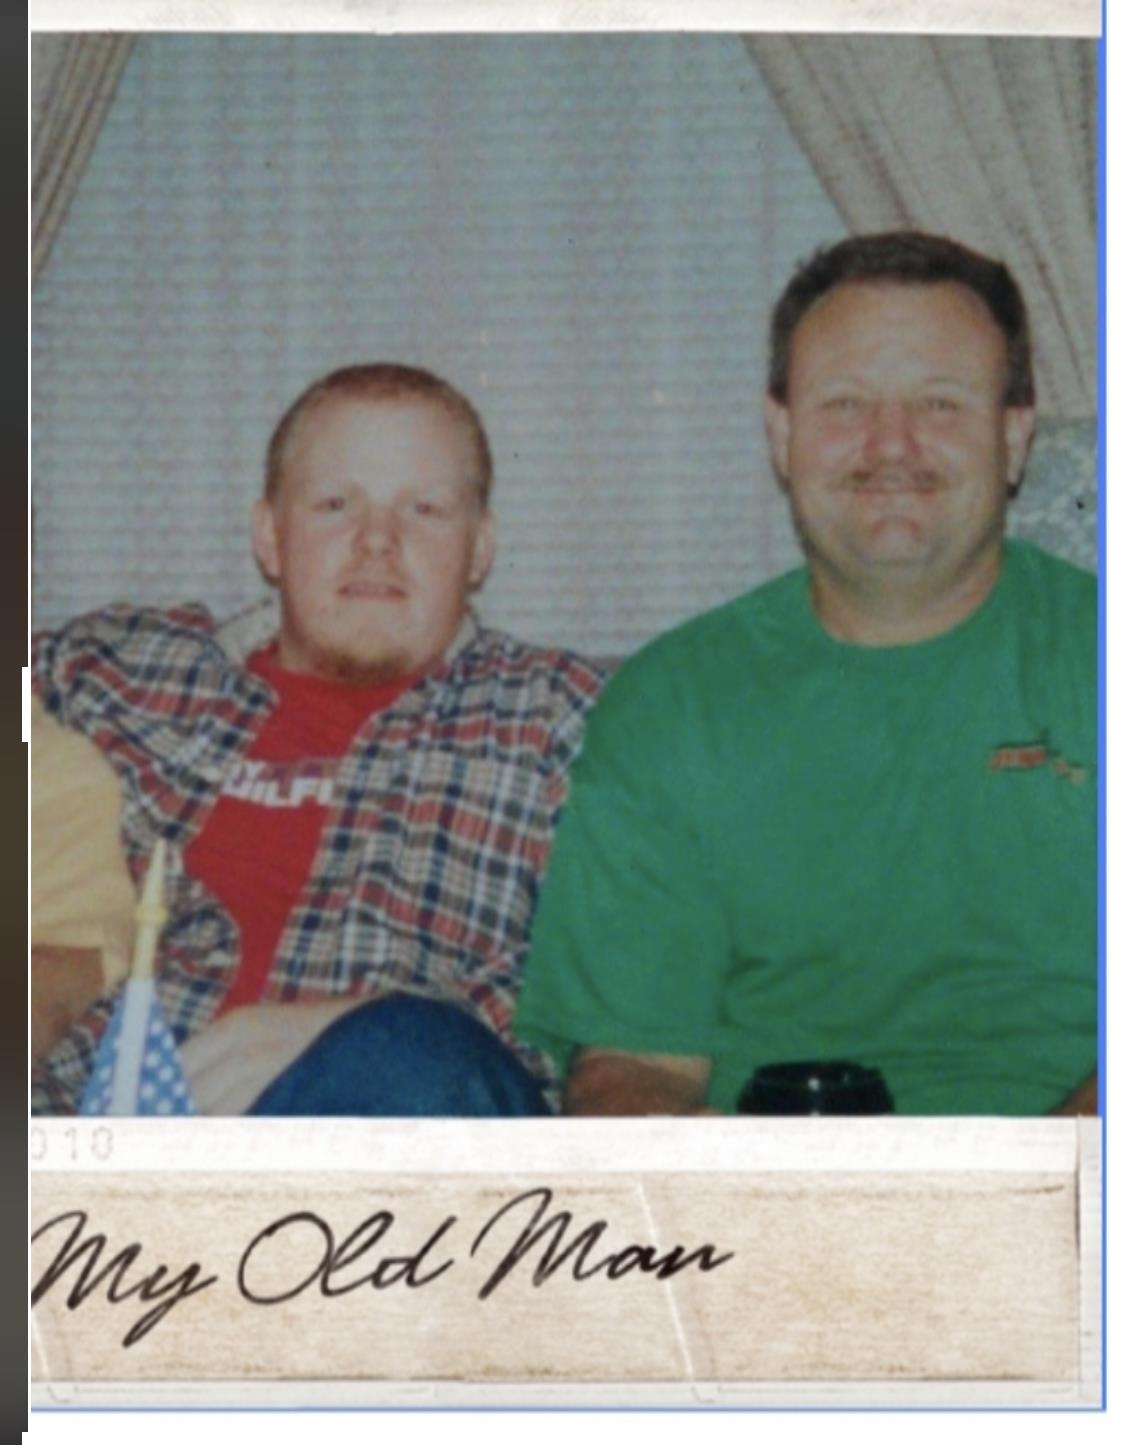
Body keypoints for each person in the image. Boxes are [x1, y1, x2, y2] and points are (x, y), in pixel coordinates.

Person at [515, 231, 1097, 1118]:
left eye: (939, 404)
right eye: (844, 405)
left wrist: (1048, 1197)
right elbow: (636, 1069)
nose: (890, 445)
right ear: (780, 435)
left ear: (1013, 437)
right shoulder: (672, 705)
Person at [31, 363, 605, 1116]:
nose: (376, 542)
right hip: (103, 1139)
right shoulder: (114, 670)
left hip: (400, 1123)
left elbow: (613, 985)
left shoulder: (560, 718)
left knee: (407, 1058)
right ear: (271, 536)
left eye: (425, 509)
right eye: (335, 504)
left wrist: (347, 1024)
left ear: (479, 549)